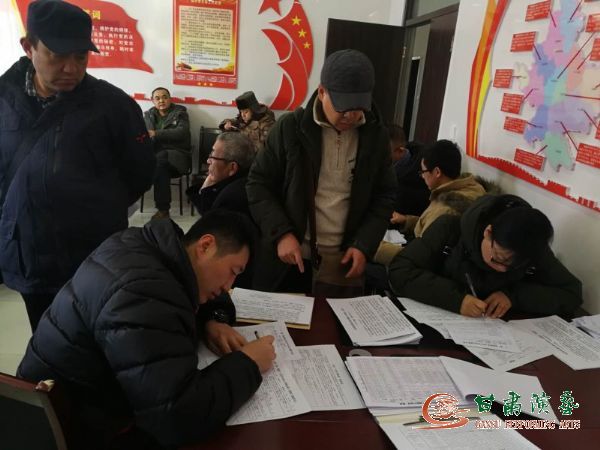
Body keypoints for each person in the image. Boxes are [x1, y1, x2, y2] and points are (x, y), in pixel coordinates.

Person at [17, 210, 276, 449]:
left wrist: (213, 320)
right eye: (232, 271)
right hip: (67, 427)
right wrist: (248, 363)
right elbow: (176, 416)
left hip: (61, 401)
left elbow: (191, 291)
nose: (229, 286)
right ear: (205, 246)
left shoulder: (153, 247)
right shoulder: (144, 292)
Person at [0, 0, 155, 332]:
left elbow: (141, 172)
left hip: (93, 258)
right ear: (28, 47)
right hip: (30, 257)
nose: (71, 68)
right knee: (46, 339)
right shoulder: (3, 99)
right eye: (57, 55)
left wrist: (95, 211)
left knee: (97, 338)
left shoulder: (114, 107)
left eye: (81, 56)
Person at [246, 49, 397, 296]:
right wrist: (281, 233)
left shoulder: (376, 136)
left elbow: (385, 195)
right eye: (343, 107)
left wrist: (364, 244)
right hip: (290, 259)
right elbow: (258, 184)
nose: (351, 116)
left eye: (358, 107)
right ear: (322, 92)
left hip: (343, 263)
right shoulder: (290, 129)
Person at [388, 194, 583, 318]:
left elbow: (571, 293)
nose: (503, 269)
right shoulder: (449, 229)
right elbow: (399, 270)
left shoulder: (530, 247)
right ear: (488, 232)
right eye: (499, 258)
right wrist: (456, 299)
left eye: (514, 266)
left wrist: (513, 296)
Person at [374, 139, 487, 267]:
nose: (422, 176)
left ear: (437, 172)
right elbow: (431, 229)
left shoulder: (446, 209)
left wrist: (375, 248)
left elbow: (419, 256)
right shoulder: (469, 188)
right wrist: (406, 220)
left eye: (423, 171)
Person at [144, 87, 192, 219]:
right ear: (152, 101)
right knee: (159, 165)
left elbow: (181, 133)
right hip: (158, 160)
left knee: (160, 159)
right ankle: (163, 209)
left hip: (178, 156)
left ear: (170, 99)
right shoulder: (148, 115)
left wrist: (156, 133)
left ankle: (163, 210)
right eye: (157, 98)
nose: (161, 101)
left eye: (164, 97)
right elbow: (145, 135)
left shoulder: (180, 113)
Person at [187, 132, 255, 217]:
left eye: (213, 156)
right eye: (210, 154)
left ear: (232, 167)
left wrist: (205, 190)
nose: (208, 161)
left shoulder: (231, 199)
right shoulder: (244, 179)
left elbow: (209, 219)